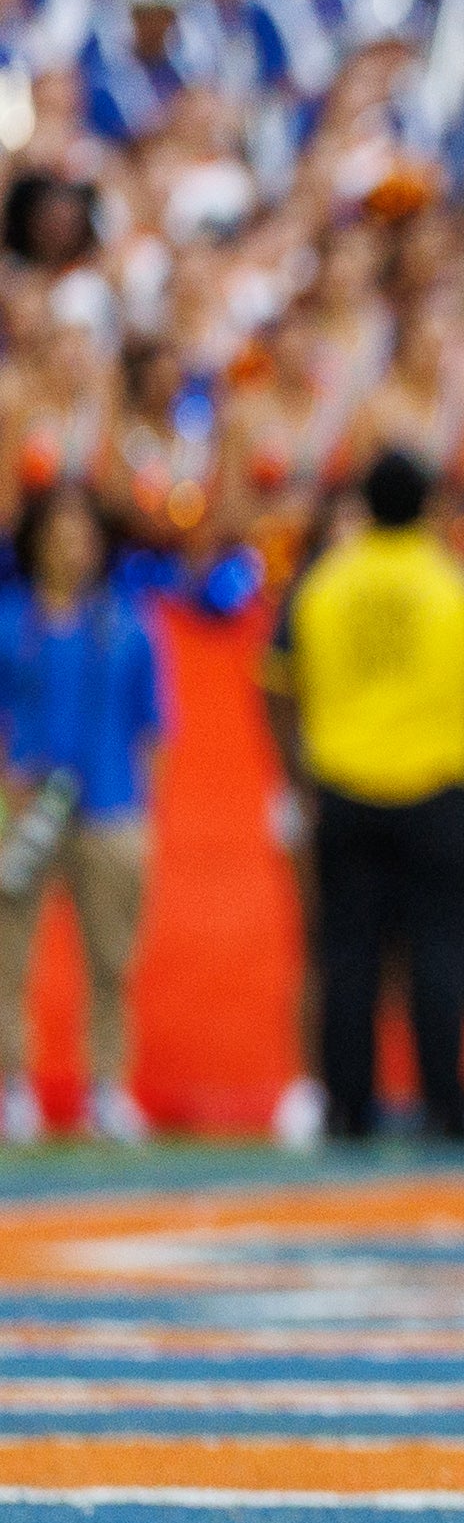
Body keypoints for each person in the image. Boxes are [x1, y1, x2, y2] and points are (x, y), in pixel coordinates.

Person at [264, 450, 464, 1143]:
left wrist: (299, 775)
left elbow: (275, 681)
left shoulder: (325, 582)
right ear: (426, 505)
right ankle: (444, 1105)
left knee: (347, 959)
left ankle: (348, 1108)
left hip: (345, 786)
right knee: (439, 958)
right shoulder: (453, 582)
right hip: (435, 786)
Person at [0, 487, 162, 1149]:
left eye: (84, 534)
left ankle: (107, 1087)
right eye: (60, 534)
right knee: (8, 956)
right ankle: (13, 1086)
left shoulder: (128, 623)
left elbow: (152, 727)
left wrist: (143, 811)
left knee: (112, 958)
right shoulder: (10, 622)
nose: (73, 547)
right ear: (36, 542)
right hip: (26, 808)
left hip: (110, 806)